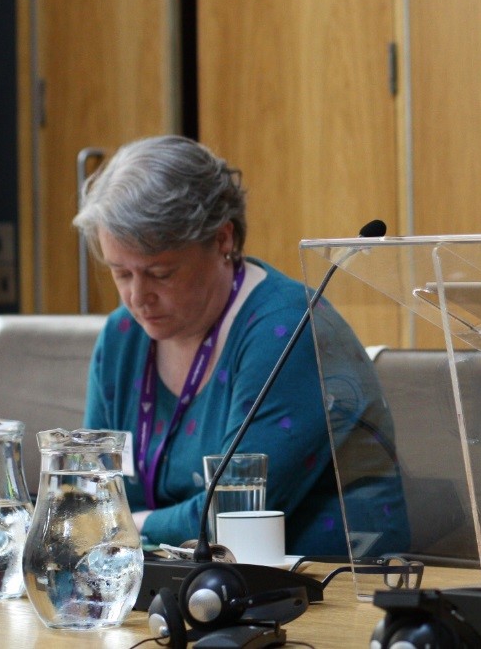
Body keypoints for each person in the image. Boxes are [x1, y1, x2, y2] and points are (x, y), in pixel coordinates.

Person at [76, 135, 409, 558]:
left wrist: (126, 525)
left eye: (160, 273)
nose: (138, 297)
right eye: (121, 273)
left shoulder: (288, 328)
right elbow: (90, 494)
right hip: (181, 586)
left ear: (222, 240)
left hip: (329, 588)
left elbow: (235, 512)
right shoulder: (123, 337)